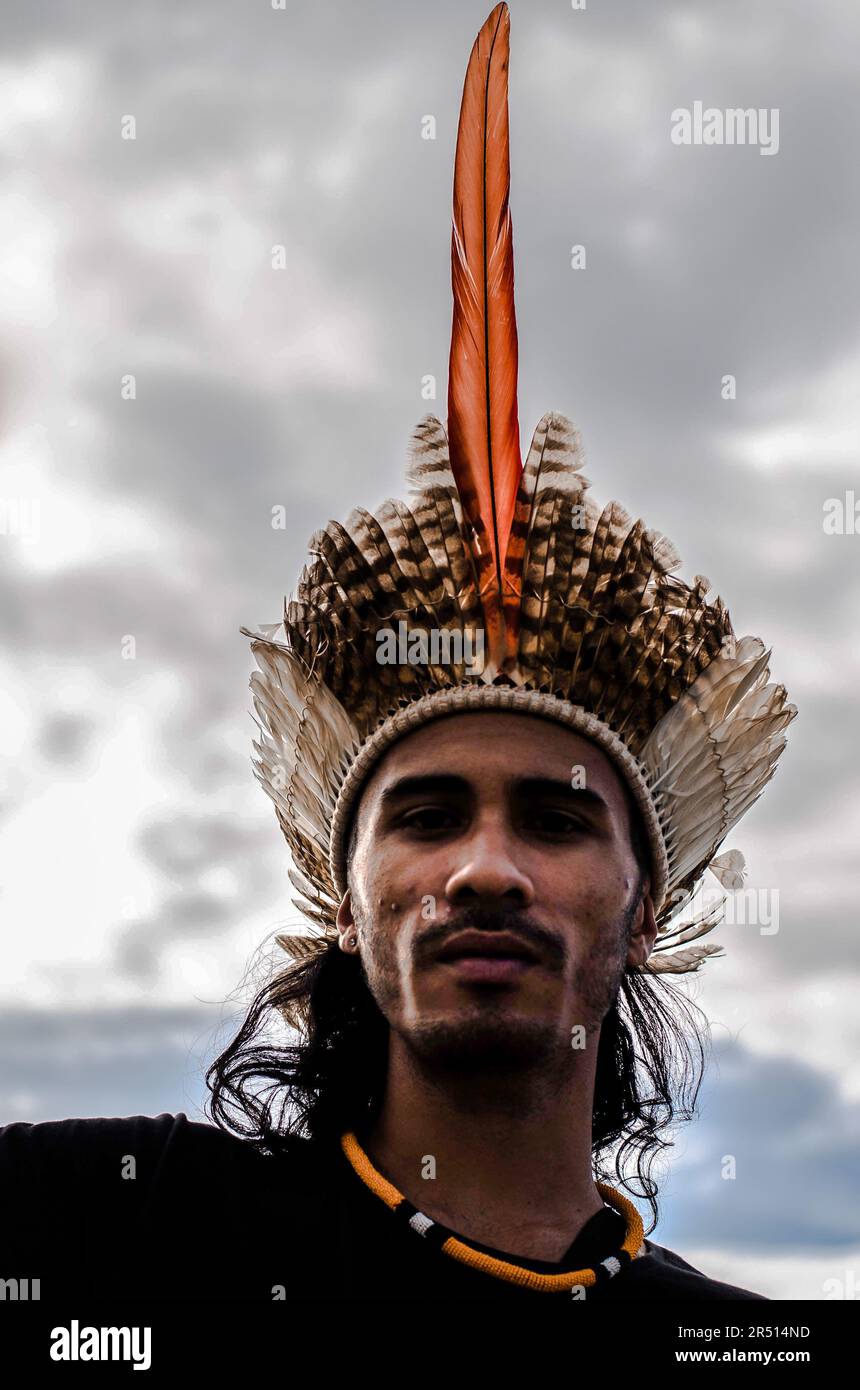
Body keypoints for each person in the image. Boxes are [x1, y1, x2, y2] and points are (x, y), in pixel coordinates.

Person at [0, 3, 795, 1303]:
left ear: (649, 904)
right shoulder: (89, 1235)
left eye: (555, 817)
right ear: (342, 888)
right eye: (428, 814)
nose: (487, 867)